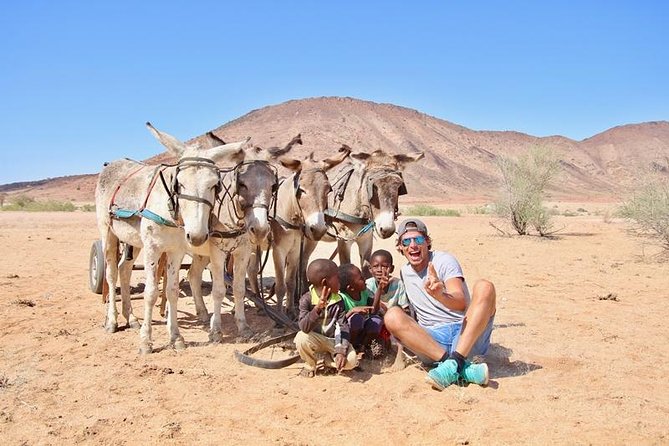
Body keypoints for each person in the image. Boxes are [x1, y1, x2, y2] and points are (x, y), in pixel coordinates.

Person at [383, 218, 496, 390]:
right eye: (406, 241)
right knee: (392, 315)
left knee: (485, 287)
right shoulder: (405, 272)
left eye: (418, 239)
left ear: (427, 242)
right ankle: (459, 367)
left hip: (464, 333)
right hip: (433, 344)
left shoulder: (444, 261)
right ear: (400, 247)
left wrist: (440, 295)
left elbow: (460, 302)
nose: (413, 245)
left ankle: (456, 360)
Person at [294, 258, 359, 376]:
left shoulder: (338, 300)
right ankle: (310, 364)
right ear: (325, 282)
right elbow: (304, 327)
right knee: (301, 338)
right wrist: (317, 308)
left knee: (351, 362)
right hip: (316, 339)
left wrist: (341, 351)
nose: (340, 281)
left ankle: (327, 360)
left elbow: (343, 327)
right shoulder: (306, 299)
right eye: (337, 277)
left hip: (333, 341)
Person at [365, 249, 410, 370]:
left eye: (385, 266)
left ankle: (400, 354)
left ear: (392, 268)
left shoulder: (398, 284)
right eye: (375, 266)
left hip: (395, 322)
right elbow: (373, 311)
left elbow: (405, 309)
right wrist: (379, 289)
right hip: (378, 322)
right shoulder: (368, 285)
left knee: (401, 326)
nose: (380, 270)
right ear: (370, 269)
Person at [338, 263, 384, 357]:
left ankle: (363, 347)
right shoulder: (342, 298)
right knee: (356, 318)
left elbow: (373, 311)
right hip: (347, 334)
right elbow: (338, 322)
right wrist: (352, 311)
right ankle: (351, 347)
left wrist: (379, 289)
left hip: (363, 332)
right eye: (361, 279)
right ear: (350, 288)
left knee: (376, 321)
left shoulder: (364, 292)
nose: (364, 280)